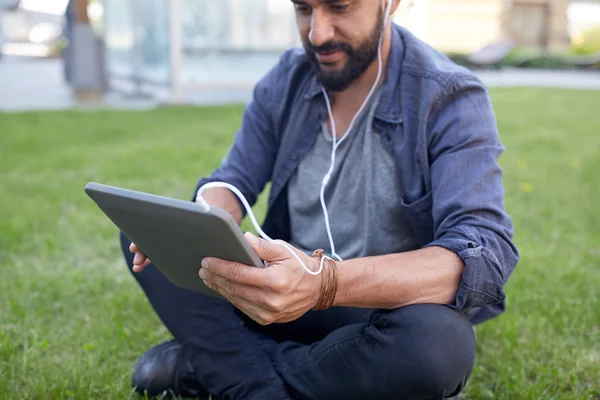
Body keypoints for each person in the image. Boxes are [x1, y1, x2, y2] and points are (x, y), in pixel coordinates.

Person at [120, 0, 519, 399]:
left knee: (438, 347)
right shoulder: (289, 78)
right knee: (144, 232)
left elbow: (484, 249)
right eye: (303, 8)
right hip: (278, 293)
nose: (318, 33)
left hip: (380, 313)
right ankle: (260, 381)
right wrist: (201, 223)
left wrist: (323, 283)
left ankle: (220, 367)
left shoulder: (448, 95)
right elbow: (232, 180)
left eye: (339, 6)